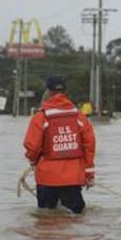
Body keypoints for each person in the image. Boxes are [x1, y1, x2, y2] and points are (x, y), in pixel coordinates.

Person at [23, 76, 96, 214]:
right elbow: (89, 145)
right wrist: (89, 174)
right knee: (75, 220)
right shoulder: (79, 116)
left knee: (46, 220)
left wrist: (33, 161)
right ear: (65, 92)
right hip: (73, 177)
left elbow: (32, 146)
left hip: (46, 177)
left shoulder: (41, 116)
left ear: (48, 92)